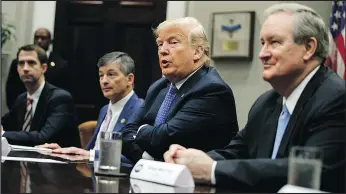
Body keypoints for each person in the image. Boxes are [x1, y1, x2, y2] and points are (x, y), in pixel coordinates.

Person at [164, 3, 345, 193]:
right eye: (262, 43)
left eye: (274, 42)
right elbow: (235, 153)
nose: (262, 54)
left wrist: (212, 170)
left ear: (309, 47)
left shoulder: (336, 99)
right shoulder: (266, 103)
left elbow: (309, 172)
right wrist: (189, 161)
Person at [120, 17, 239, 163]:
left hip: (198, 182)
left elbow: (164, 138)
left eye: (173, 42)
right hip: (156, 175)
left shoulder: (212, 90)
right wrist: (148, 158)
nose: (163, 51)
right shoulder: (160, 86)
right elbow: (125, 133)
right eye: (160, 44)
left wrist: (141, 131)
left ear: (197, 52)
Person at [37, 52, 143, 164]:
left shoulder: (140, 109)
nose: (104, 81)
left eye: (111, 74)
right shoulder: (104, 110)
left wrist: (90, 154)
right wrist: (63, 151)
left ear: (129, 79)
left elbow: (136, 158)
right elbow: (89, 152)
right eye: (101, 75)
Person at [1, 44, 80, 147]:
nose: (25, 68)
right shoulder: (21, 99)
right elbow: (6, 123)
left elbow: (43, 137)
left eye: (31, 63)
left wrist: (3, 134)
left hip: (58, 160)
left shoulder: (60, 99)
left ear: (44, 68)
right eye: (21, 63)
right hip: (26, 159)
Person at [6, 27, 69, 109]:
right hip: (22, 109)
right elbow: (11, 88)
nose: (39, 41)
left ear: (50, 41)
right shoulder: (18, 62)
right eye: (37, 37)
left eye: (43, 38)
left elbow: (63, 90)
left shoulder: (61, 65)